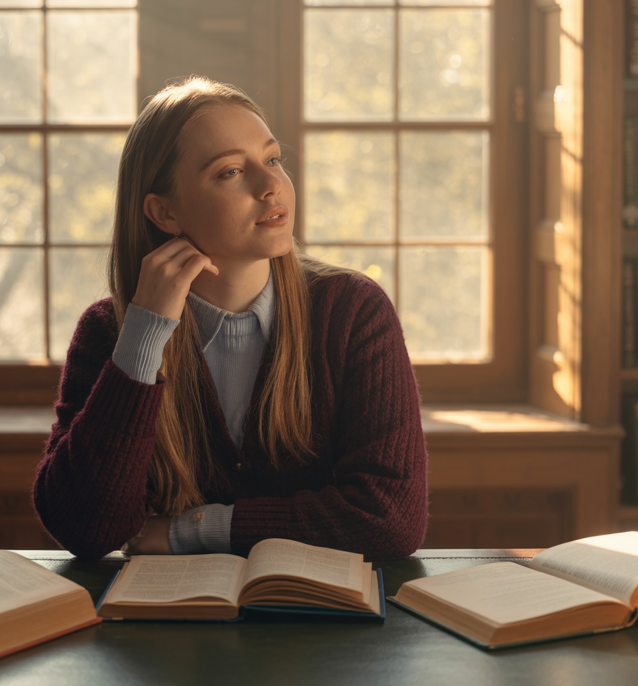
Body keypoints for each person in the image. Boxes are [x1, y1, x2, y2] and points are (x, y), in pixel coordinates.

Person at [32, 76, 427, 561]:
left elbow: (390, 520)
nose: (271, 186)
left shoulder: (353, 312)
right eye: (230, 172)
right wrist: (143, 340)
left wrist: (191, 531)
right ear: (165, 211)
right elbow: (84, 530)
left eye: (273, 159)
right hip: (165, 629)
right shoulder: (110, 332)